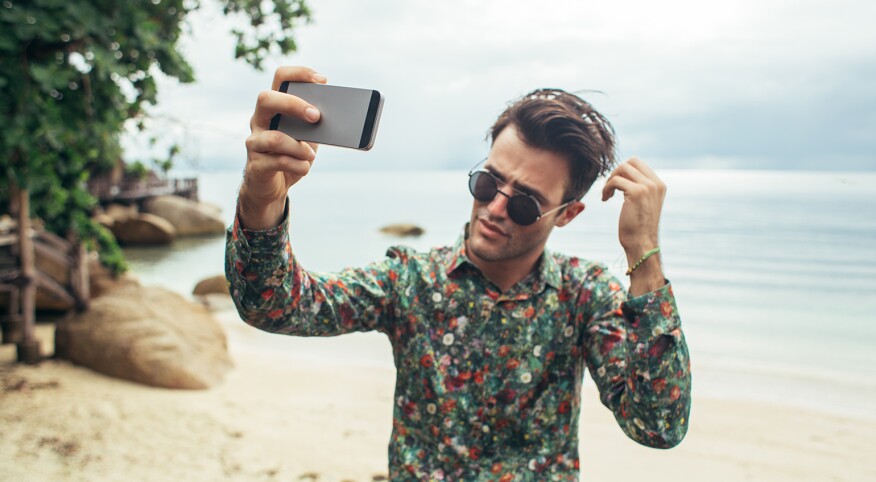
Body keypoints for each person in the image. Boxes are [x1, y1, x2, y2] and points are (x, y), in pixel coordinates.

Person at [225, 66, 691, 481]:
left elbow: (658, 426)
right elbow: (274, 306)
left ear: (567, 215)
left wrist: (643, 256)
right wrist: (261, 200)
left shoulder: (584, 296)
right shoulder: (412, 280)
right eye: (487, 182)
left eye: (526, 202)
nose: (495, 208)